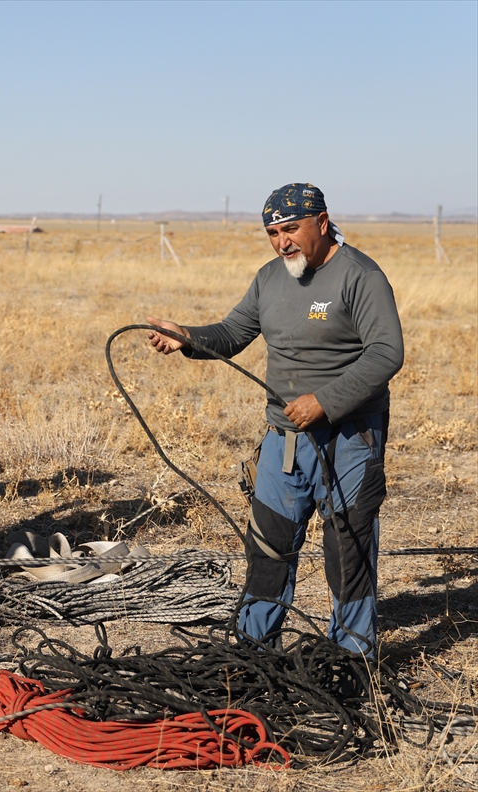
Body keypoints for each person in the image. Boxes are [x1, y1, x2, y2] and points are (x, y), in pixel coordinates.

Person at [146, 183, 403, 659]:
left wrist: (324, 401)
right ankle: (253, 653)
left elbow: (387, 352)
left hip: (350, 437)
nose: (282, 242)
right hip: (284, 441)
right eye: (272, 232)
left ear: (322, 223)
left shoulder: (360, 276)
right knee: (267, 547)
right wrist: (187, 336)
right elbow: (231, 333)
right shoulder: (269, 278)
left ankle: (351, 661)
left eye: (291, 229)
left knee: (346, 548)